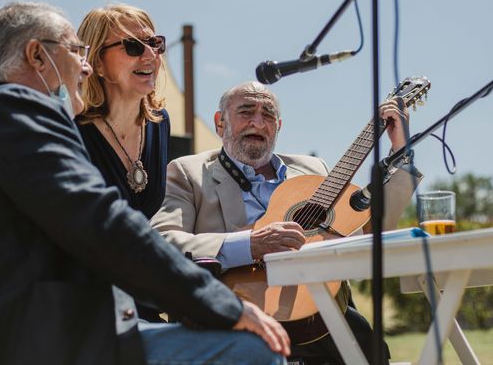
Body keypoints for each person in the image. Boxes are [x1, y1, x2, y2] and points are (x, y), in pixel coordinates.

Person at [0, 3, 289, 365]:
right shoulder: (13, 108)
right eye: (77, 52)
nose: (85, 67)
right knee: (255, 351)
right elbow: (101, 224)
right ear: (37, 55)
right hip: (37, 341)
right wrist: (220, 306)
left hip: (60, 326)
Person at [150, 80, 423, 364]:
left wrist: (400, 152)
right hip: (236, 312)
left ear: (278, 126)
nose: (258, 122)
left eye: (267, 114)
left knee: (369, 348)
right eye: (246, 111)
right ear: (220, 123)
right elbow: (162, 242)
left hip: (321, 313)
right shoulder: (188, 172)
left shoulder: (312, 169)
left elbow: (370, 231)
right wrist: (251, 244)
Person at [76, 4, 169, 221]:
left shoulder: (160, 122)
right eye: (133, 46)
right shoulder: (71, 127)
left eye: (154, 43)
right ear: (97, 62)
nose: (150, 55)